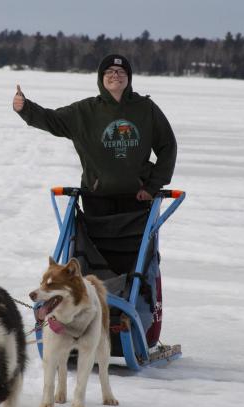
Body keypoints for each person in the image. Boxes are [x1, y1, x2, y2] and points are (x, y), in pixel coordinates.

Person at [12, 54, 178, 347]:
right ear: (101, 78)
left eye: (121, 71)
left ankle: (131, 319)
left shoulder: (145, 109)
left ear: (129, 77)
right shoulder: (86, 111)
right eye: (109, 72)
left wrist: (153, 186)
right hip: (97, 201)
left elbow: (168, 146)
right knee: (93, 260)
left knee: (135, 265)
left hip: (137, 202)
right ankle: (83, 321)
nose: (115, 75)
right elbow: (52, 119)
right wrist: (25, 109)